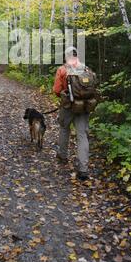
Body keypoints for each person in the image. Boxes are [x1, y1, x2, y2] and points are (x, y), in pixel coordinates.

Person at [53, 46, 96, 181]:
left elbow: (56, 90)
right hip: (84, 107)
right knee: (82, 135)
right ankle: (83, 170)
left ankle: (63, 156)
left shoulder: (62, 70)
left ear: (66, 56)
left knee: (64, 129)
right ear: (77, 56)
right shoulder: (86, 69)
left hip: (68, 106)